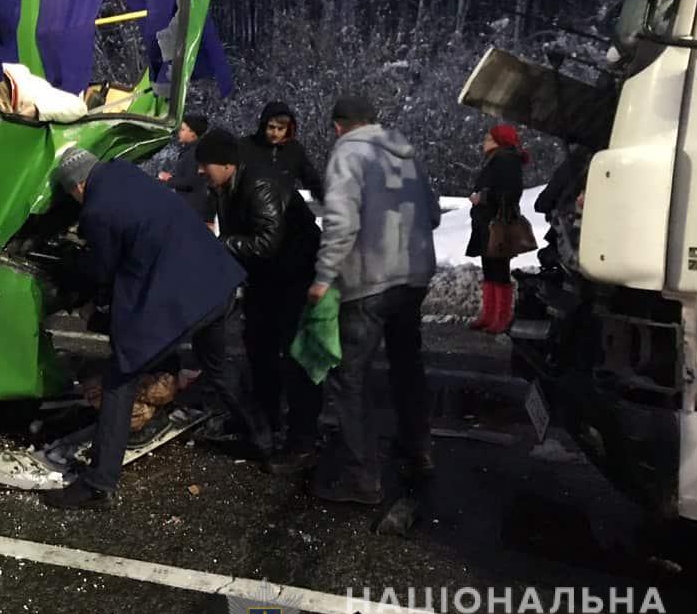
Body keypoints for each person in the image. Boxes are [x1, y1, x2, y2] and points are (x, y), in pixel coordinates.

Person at [41, 148, 274, 509]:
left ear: (78, 186)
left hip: (177, 298)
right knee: (222, 368)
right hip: (215, 283)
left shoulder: (97, 210)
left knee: (121, 377)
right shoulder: (127, 174)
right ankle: (264, 441)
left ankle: (99, 483)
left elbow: (101, 271)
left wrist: (72, 278)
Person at [308, 96, 440, 505]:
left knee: (349, 377)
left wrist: (324, 275)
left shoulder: (348, 153)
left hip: (370, 280)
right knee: (406, 364)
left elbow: (341, 222)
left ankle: (361, 478)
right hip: (413, 277)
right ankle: (417, 446)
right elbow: (433, 214)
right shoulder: (405, 152)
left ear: (337, 126)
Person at [196, 128, 322, 473]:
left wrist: (222, 245)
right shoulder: (227, 183)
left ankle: (301, 442)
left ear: (226, 163)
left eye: (205, 164)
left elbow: (267, 241)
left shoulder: (259, 184)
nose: (199, 171)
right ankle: (264, 425)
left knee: (293, 359)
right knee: (258, 348)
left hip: (293, 277)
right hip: (269, 278)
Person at [466, 124, 529, 335]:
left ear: (499, 141)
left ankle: (500, 316)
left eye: (488, 138)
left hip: (498, 223)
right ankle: (490, 313)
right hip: (488, 221)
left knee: (498, 267)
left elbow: (509, 192)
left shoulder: (505, 160)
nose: (485, 142)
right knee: (489, 266)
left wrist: (481, 197)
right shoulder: (496, 159)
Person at [243, 101, 324, 201]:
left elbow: (312, 180)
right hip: (252, 210)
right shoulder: (247, 146)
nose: (275, 133)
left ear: (288, 129)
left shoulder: (294, 151)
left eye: (280, 129)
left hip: (284, 210)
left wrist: (328, 201)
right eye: (271, 127)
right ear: (264, 126)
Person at [157, 113, 213, 221]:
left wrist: (168, 179)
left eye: (183, 129)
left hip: (192, 212)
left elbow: (190, 182)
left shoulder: (195, 153)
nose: (179, 132)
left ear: (192, 133)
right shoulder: (192, 151)